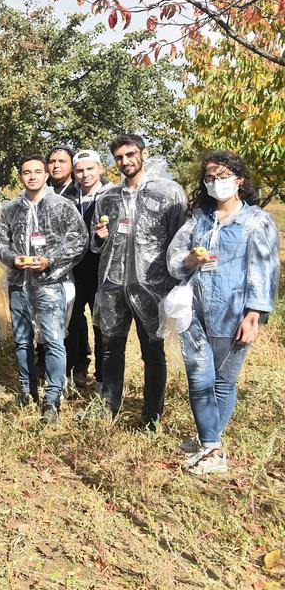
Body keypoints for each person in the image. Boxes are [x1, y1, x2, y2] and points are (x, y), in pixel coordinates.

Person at [167, 151, 279, 475]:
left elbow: (264, 270)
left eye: (223, 176)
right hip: (195, 311)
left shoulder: (256, 221)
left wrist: (254, 314)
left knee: (222, 383)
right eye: (210, 178)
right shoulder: (200, 219)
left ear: (239, 180)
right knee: (198, 376)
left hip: (233, 312)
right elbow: (175, 258)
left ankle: (210, 443)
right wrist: (191, 259)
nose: (216, 182)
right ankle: (211, 444)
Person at [91, 134, 187, 429]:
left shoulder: (167, 192)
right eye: (119, 157)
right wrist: (100, 237)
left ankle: (151, 415)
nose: (125, 161)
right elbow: (96, 243)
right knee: (111, 349)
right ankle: (109, 406)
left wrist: (173, 282)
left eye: (130, 154)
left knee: (153, 352)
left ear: (143, 153)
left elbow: (180, 240)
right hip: (114, 284)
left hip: (151, 287)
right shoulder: (108, 197)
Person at [0, 155, 88, 423]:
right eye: (27, 172)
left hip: (50, 283)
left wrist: (50, 260)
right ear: (20, 177)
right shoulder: (11, 209)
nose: (32, 176)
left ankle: (53, 397)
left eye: (37, 171)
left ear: (46, 175)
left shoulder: (61, 206)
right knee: (22, 339)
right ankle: (27, 390)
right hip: (18, 283)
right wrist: (13, 259)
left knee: (53, 339)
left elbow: (78, 240)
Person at [65, 150, 112, 392]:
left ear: (100, 169)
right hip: (74, 270)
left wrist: (106, 237)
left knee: (102, 325)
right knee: (71, 321)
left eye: (90, 169)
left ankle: (103, 378)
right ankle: (73, 371)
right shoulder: (68, 198)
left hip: (102, 271)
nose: (85, 174)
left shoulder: (112, 195)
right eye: (80, 170)